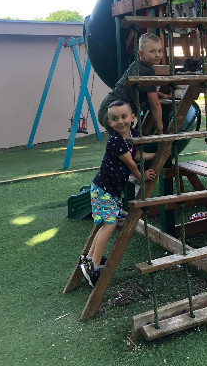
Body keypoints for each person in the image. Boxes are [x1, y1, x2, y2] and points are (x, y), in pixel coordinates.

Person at [80, 100, 156, 287]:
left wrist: (156, 155)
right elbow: (131, 164)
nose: (120, 121)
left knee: (105, 225)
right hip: (103, 189)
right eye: (115, 119)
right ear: (110, 123)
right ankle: (93, 266)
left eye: (124, 117)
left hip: (109, 190)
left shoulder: (132, 135)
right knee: (109, 225)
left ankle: (89, 259)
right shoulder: (116, 141)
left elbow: (136, 155)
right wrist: (142, 177)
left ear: (132, 117)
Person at [97, 33, 167, 136]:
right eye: (152, 51)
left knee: (122, 141)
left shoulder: (136, 65)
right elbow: (155, 104)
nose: (157, 55)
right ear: (141, 53)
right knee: (128, 142)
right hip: (118, 113)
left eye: (159, 51)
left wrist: (161, 95)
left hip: (106, 108)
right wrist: (160, 128)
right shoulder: (147, 72)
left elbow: (142, 89)